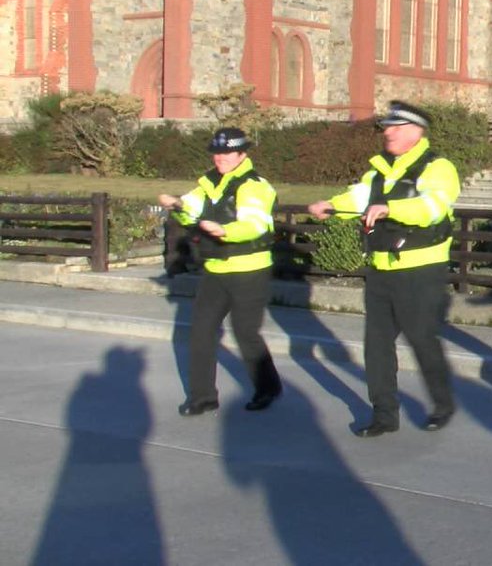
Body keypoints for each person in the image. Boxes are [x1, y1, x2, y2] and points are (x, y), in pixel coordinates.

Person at [307, 100, 460, 437]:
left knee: (422, 340)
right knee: (376, 345)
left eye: (395, 127)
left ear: (415, 132)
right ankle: (384, 415)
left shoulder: (438, 168)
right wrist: (331, 205)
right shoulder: (378, 171)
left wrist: (391, 208)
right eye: (386, 127)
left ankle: (442, 402)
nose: (387, 132)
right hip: (380, 269)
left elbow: (432, 207)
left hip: (421, 269)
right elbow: (360, 197)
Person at [159, 127, 282, 416]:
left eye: (227, 153)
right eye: (217, 153)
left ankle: (267, 387)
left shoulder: (255, 186)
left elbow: (254, 224)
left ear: (242, 154)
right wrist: (177, 205)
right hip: (215, 269)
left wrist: (225, 230)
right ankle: (202, 397)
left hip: (249, 269)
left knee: (246, 333)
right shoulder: (208, 183)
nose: (220, 159)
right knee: (200, 332)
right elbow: (191, 209)